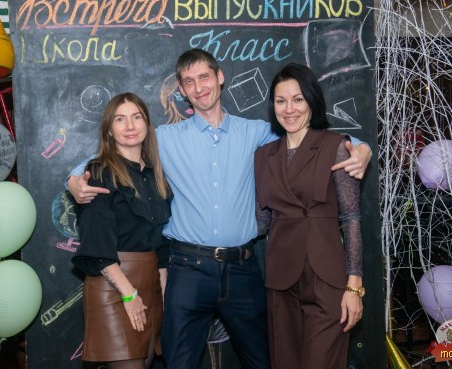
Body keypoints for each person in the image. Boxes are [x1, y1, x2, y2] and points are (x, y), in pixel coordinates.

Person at [67, 49, 372, 369]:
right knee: (178, 363)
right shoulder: (164, 138)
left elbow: (308, 135)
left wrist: (360, 146)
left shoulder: (256, 132)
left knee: (264, 361)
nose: (199, 87)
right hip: (188, 269)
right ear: (182, 90)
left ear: (220, 77)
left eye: (204, 77)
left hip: (243, 269)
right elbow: (113, 154)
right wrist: (74, 178)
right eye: (189, 82)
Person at [254, 63, 364, 369]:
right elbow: (260, 223)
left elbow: (352, 218)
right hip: (281, 278)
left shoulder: (335, 147)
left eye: (298, 99)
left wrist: (354, 287)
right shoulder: (263, 156)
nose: (289, 109)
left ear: (312, 101)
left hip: (326, 276)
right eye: (281, 101)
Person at [70, 92, 172, 369]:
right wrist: (128, 294)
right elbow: (97, 243)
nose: (129, 126)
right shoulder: (99, 171)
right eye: (120, 119)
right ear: (109, 130)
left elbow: (161, 245)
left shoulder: (156, 175)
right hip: (114, 284)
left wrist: (163, 294)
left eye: (136, 117)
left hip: (151, 285)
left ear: (147, 124)